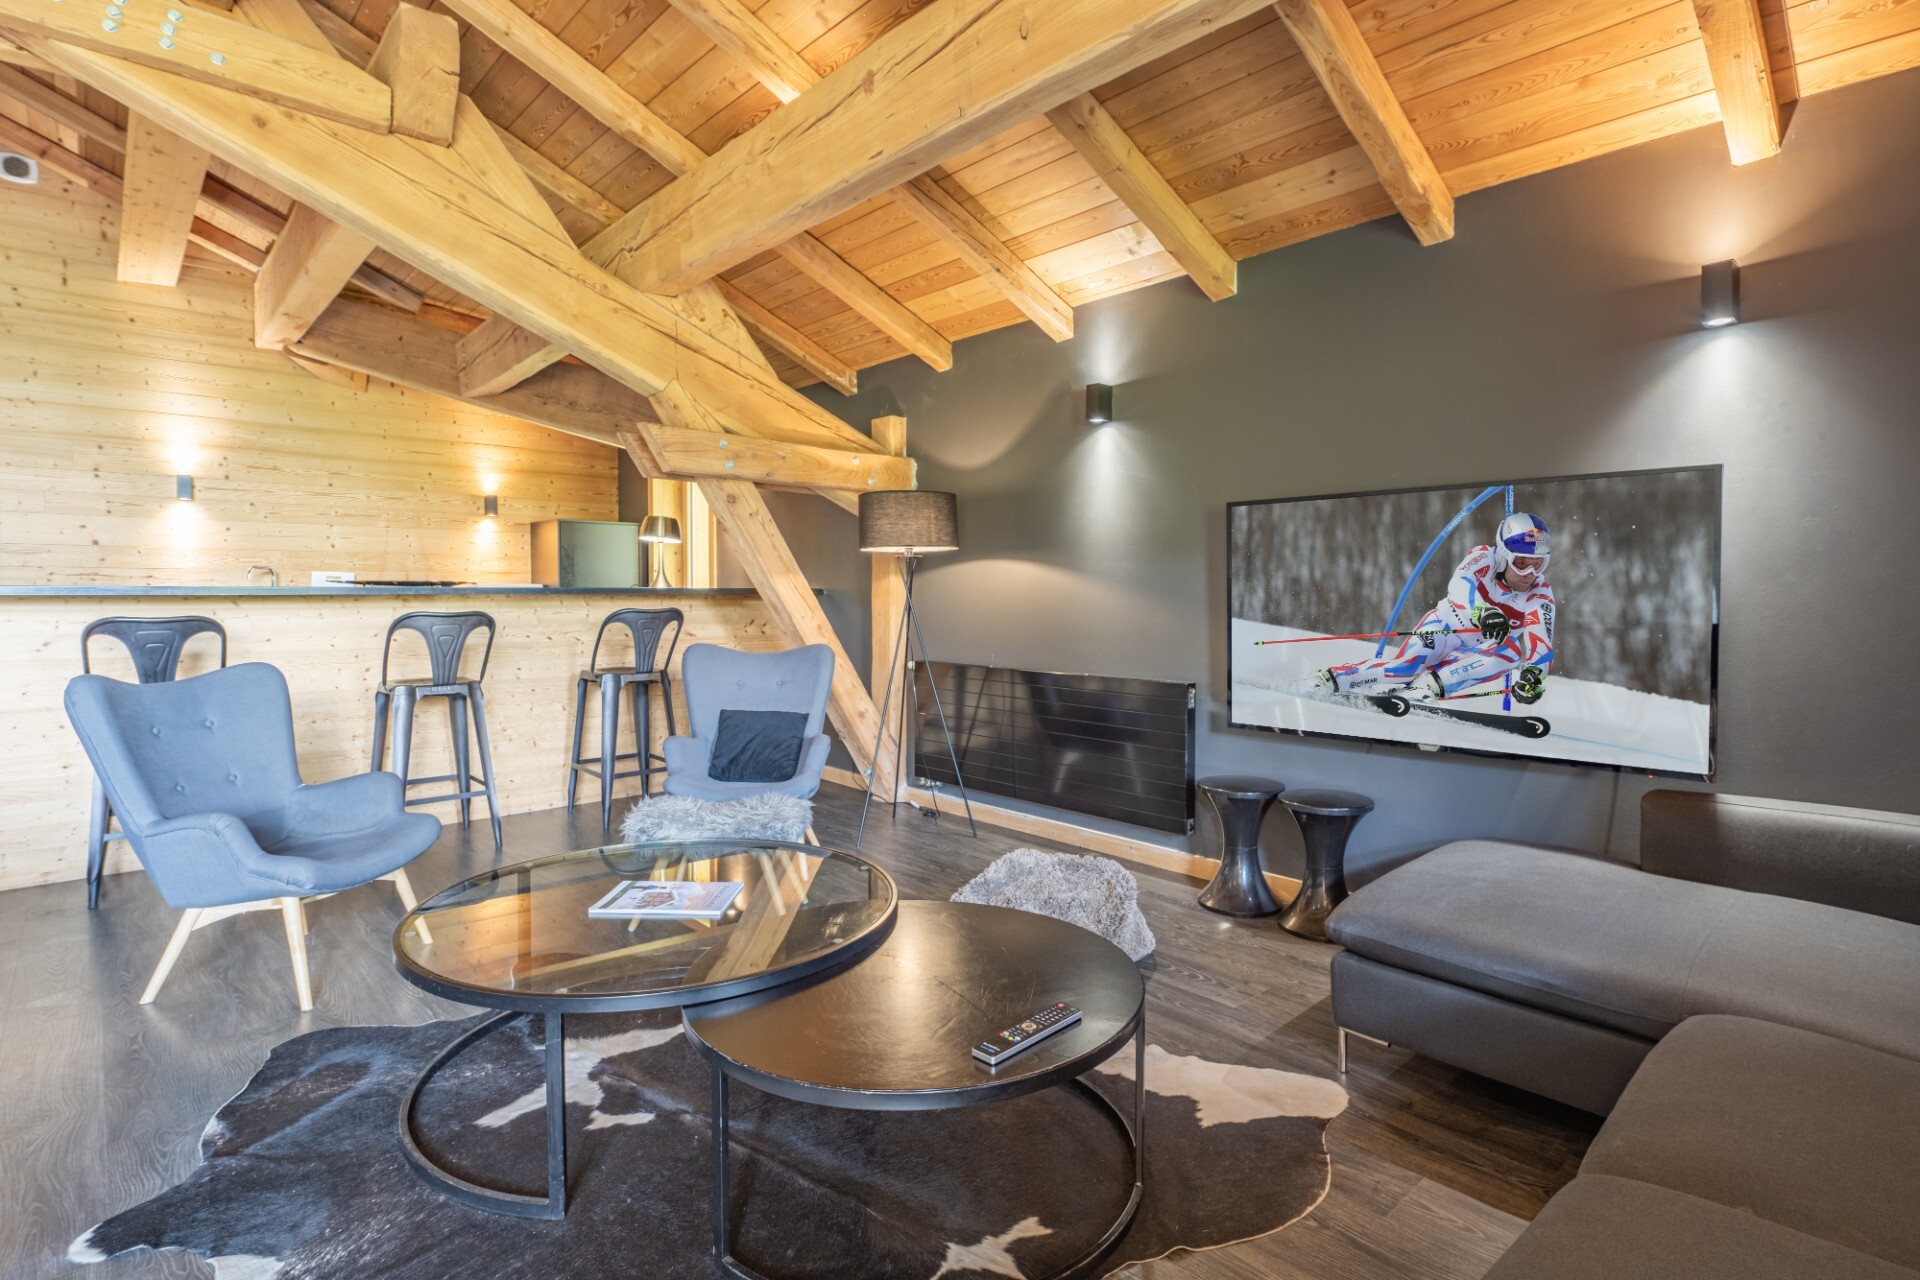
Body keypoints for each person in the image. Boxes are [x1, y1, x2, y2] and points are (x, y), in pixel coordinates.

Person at [1315, 512, 1556, 704]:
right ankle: (1331, 680)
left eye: (1538, 565)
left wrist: (1533, 676)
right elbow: (1460, 583)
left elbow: (1541, 643)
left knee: (1511, 651)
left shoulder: (1540, 594)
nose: (1530, 573)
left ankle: (1423, 688)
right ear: (1503, 555)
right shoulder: (1484, 558)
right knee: (1404, 669)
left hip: (1477, 652)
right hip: (1446, 626)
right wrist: (1482, 611)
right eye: (1521, 563)